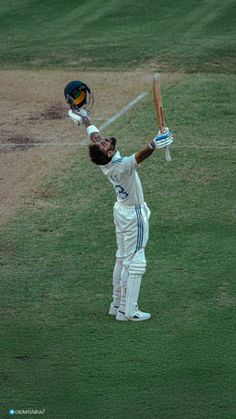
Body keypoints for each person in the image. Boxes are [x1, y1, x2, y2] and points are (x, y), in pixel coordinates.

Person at [66, 89, 173, 321]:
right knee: (136, 261)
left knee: (122, 257)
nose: (104, 140)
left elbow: (94, 135)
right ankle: (129, 311)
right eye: (105, 143)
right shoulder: (121, 165)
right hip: (134, 214)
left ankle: (117, 304)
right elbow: (141, 156)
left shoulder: (106, 160)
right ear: (110, 152)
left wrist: (83, 116)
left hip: (121, 212)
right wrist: (155, 142)